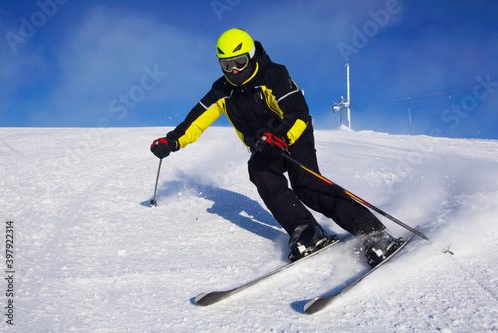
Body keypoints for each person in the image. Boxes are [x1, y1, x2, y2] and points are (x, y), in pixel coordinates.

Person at [150, 28, 402, 267]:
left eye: (239, 62)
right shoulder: (222, 90)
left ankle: (372, 232)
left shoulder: (274, 74)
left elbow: (298, 113)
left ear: (250, 56)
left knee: (307, 185)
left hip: (293, 135)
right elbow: (196, 119)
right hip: (263, 145)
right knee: (259, 172)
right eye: (226, 65)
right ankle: (306, 231)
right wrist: (172, 141)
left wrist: (281, 137)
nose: (234, 71)